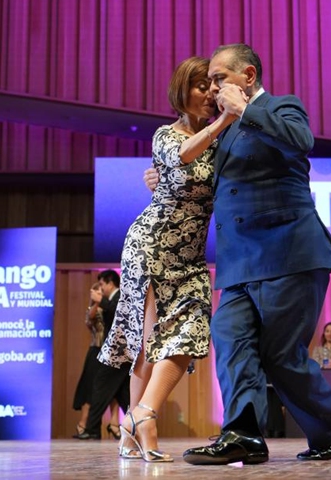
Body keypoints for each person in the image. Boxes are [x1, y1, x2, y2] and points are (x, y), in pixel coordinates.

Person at [172, 43, 331, 465]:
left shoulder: (280, 106)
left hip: (287, 252)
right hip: (238, 262)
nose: (212, 87)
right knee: (230, 337)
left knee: (280, 355)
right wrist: (164, 181)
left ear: (248, 76)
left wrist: (245, 110)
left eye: (219, 78)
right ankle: (243, 434)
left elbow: (301, 141)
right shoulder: (223, 129)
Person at [98, 56, 237, 463]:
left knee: (191, 332)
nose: (210, 94)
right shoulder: (166, 135)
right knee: (149, 343)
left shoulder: (220, 140)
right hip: (151, 245)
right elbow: (180, 159)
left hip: (191, 256)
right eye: (201, 86)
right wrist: (223, 121)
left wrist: (225, 125)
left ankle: (137, 417)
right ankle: (137, 427)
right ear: (182, 91)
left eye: (213, 87)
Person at [76, 270, 129, 441]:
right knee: (123, 393)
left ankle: (92, 429)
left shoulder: (120, 296)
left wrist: (101, 301)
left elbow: (119, 313)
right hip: (116, 352)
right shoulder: (110, 300)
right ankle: (136, 426)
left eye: (102, 284)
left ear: (110, 283)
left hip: (117, 352)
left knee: (100, 387)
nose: (101, 288)